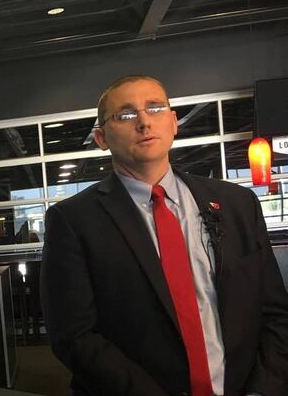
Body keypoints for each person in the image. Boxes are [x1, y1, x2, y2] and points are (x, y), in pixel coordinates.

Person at [40, 75, 288, 395]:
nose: (144, 122)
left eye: (154, 108)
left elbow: (274, 313)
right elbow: (74, 336)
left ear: (173, 123)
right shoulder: (73, 221)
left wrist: (263, 390)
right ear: (101, 137)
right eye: (126, 115)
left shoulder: (237, 204)